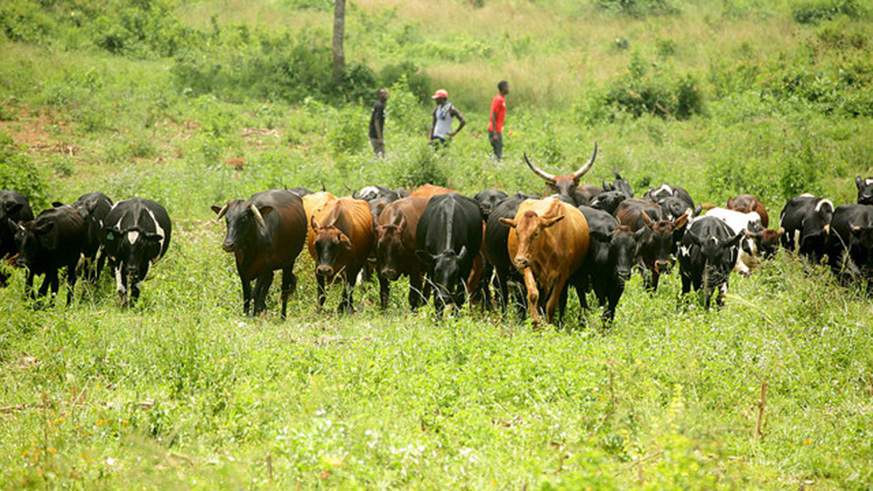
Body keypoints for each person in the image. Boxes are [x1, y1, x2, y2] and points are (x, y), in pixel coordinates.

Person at [488, 80, 509, 160]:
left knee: (497, 151)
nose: (508, 89)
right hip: (495, 130)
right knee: (498, 153)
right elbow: (493, 116)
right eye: (507, 87)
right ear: (503, 88)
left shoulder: (501, 98)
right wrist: (495, 133)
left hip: (497, 129)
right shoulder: (499, 99)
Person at [369, 88, 389, 156]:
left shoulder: (378, 105)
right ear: (380, 95)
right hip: (375, 136)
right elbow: (376, 121)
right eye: (385, 94)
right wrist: (379, 137)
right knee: (381, 156)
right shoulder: (379, 105)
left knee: (378, 155)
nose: (387, 95)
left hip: (375, 135)